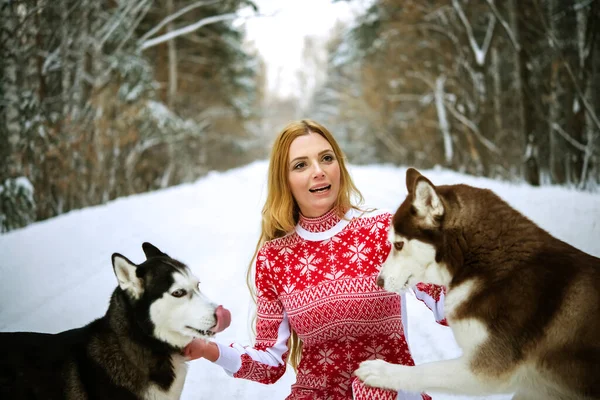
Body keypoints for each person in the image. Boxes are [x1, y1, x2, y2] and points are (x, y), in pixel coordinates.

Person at [185, 120, 447, 399]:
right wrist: (208, 350)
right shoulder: (274, 259)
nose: (319, 172)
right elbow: (270, 363)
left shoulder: (383, 229)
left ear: (339, 166)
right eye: (301, 165)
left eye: (326, 158)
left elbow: (446, 303)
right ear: (284, 181)